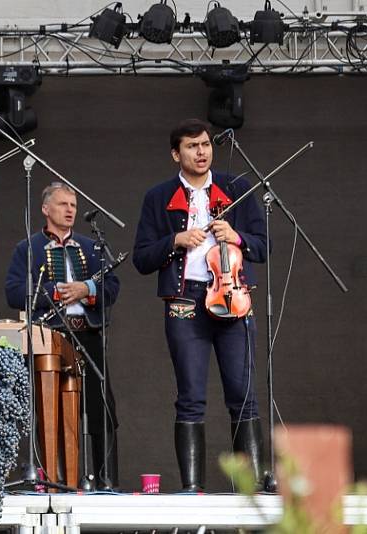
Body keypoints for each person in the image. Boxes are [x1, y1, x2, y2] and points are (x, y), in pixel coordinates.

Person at [132, 118, 267, 492]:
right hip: (185, 301)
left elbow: (264, 244)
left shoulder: (237, 187)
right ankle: (194, 489)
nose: (202, 151)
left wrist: (238, 236)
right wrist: (174, 240)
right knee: (191, 397)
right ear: (176, 154)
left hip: (234, 296)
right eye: (192, 146)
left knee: (244, 396)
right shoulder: (158, 197)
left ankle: (252, 489)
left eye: (206, 144)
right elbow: (141, 258)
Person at [4, 182, 121, 489]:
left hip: (89, 336)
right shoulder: (27, 248)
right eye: (63, 204)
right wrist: (54, 292)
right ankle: (56, 480)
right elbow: (14, 292)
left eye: (73, 205)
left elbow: (113, 287)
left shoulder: (91, 246)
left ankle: (107, 481)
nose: (70, 210)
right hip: (51, 338)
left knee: (101, 410)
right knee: (51, 411)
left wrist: (88, 289)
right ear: (46, 209)